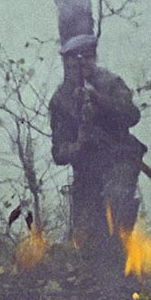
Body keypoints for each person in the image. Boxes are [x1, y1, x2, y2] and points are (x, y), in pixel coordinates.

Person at [48, 33, 146, 253]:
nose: (80, 68)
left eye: (85, 61)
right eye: (73, 64)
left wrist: (101, 101)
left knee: (118, 201)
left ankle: (126, 258)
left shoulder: (111, 84)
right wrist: (78, 144)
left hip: (118, 159)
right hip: (87, 169)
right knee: (89, 234)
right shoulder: (61, 100)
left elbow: (132, 116)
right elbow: (59, 153)